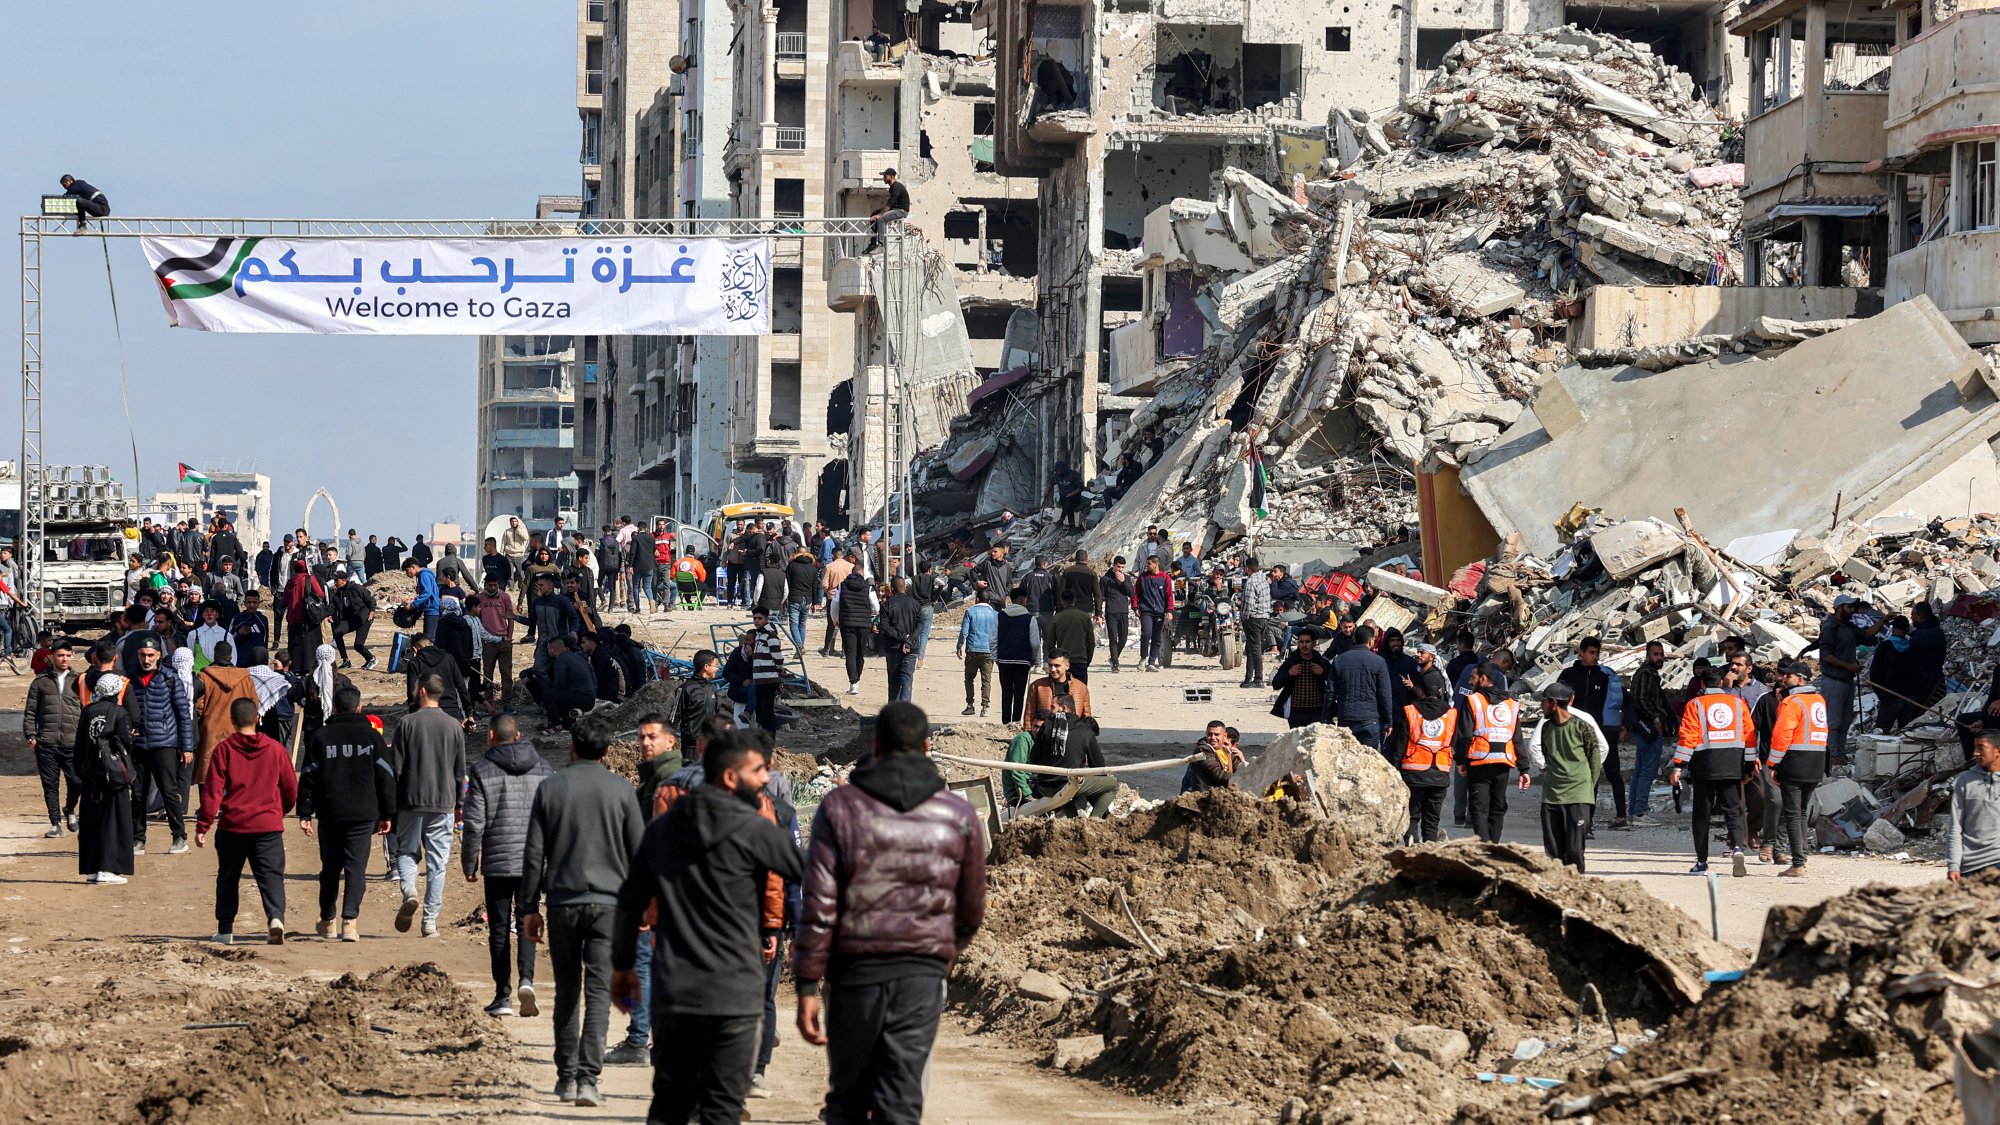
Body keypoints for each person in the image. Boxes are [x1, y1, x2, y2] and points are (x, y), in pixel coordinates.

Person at [794, 702, 986, 1123]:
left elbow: (819, 902)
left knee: (847, 1096)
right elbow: (971, 908)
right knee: (900, 1096)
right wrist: (943, 955)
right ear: (928, 746)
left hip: (853, 975)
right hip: (919, 974)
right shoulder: (958, 814)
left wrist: (807, 981)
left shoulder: (840, 807)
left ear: (875, 744)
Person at [612, 731, 804, 1121]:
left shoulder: (663, 830)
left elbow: (630, 901)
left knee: (669, 1103)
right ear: (731, 778)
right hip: (735, 995)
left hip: (675, 991)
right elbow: (809, 876)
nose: (766, 779)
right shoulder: (757, 831)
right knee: (721, 1108)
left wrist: (622, 968)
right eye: (756, 772)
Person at [514, 717, 642, 1108]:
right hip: (609, 905)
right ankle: (588, 1079)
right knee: (599, 991)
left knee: (567, 989)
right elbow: (639, 855)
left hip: (563, 902)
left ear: (572, 746)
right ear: (607, 751)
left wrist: (528, 908)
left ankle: (566, 1076)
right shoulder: (622, 791)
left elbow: (534, 853)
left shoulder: (550, 788)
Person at [197, 697, 299, 945]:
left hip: (233, 825)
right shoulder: (276, 749)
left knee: (228, 878)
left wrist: (204, 825)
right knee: (271, 876)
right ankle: (276, 919)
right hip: (268, 826)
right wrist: (279, 811)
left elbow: (212, 792)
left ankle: (225, 929)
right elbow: (290, 788)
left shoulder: (224, 750)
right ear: (258, 718)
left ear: (232, 720)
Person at [297, 685, 395, 941]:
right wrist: (388, 814)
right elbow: (386, 778)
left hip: (330, 812)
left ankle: (328, 920)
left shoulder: (321, 736)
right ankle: (349, 922)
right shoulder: (372, 738)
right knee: (355, 868)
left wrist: (305, 813)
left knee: (330, 868)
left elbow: (307, 776)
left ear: (336, 708)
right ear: (359, 708)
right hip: (364, 814)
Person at [390, 674, 468, 937]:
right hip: (444, 800)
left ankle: (409, 890)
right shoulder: (453, 726)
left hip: (411, 799)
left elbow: (396, 767)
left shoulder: (406, 723)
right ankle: (430, 922)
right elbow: (460, 769)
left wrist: (393, 801)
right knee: (438, 864)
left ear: (421, 691)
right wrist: (459, 803)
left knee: (407, 851)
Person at [1669, 666, 1754, 877]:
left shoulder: (1695, 704)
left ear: (1702, 684)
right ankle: (1737, 848)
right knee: (1734, 810)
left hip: (1704, 766)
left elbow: (1688, 737)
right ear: (1722, 683)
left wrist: (1678, 765)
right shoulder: (1737, 703)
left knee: (1701, 815)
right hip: (1732, 764)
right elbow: (1749, 735)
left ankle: (1701, 862)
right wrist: (1750, 765)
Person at [1524, 682, 1608, 872]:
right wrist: (1548, 772)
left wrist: (1587, 786)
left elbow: (1595, 759)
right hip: (1552, 797)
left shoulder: (1582, 727)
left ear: (1553, 703)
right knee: (1553, 853)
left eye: (1543, 702)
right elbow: (1544, 754)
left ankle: (1576, 889)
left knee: (1575, 850)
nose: (1540, 706)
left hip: (1578, 797)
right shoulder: (1546, 728)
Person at [125, 634, 194, 855]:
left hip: (165, 743)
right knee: (137, 794)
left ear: (158, 655)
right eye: (143, 655)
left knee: (169, 791)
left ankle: (179, 837)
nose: (146, 659)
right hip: (139, 745)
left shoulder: (170, 678)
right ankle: (138, 839)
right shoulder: (131, 678)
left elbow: (183, 714)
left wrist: (187, 747)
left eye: (151, 655)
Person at [1761, 662, 1828, 878]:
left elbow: (1782, 736)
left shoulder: (1791, 702)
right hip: (1816, 761)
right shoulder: (1818, 701)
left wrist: (1772, 764)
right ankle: (1802, 858)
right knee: (1801, 811)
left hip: (1795, 761)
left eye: (1788, 676)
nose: (1783, 678)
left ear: (1800, 679)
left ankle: (1798, 863)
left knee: (1792, 813)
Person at [1556, 636, 1627, 829]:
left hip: (1596, 731)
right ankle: (1576, 818)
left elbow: (1599, 705)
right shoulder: (1569, 674)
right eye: (1591, 653)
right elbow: (1559, 701)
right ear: (1581, 652)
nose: (1595, 657)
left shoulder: (1602, 677)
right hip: (1571, 731)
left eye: (1597, 653)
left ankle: (1595, 820)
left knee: (1598, 774)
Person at [1453, 662, 1527, 844]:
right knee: (1497, 807)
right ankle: (1493, 845)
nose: (1470, 682)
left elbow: (1465, 734)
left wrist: (1460, 760)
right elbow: (1517, 737)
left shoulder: (1473, 701)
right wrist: (1524, 769)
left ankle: (1485, 847)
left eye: (1473, 677)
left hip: (1479, 762)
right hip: (1503, 763)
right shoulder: (1511, 704)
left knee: (1479, 808)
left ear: (1483, 679)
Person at [76, 673, 138, 884]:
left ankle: (92, 868)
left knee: (92, 821)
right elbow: (126, 744)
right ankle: (108, 868)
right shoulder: (119, 713)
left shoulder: (87, 712)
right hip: (113, 777)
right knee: (114, 821)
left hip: (90, 775)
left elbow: (80, 745)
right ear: (116, 691)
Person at [1814, 593, 1880, 767]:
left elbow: (1866, 635)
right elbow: (1826, 655)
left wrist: (1882, 621)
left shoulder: (1848, 627)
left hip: (1846, 679)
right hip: (1834, 679)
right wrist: (1849, 666)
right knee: (1833, 719)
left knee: (1844, 719)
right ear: (1839, 607)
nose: (1852, 611)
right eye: (1849, 607)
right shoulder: (1830, 627)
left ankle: (1839, 752)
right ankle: (1831, 754)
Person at [27, 639, 83, 838]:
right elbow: (31, 711)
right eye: (60, 655)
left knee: (76, 781)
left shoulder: (79, 681)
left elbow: (86, 710)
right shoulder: (40, 682)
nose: (65, 659)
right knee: (50, 785)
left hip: (73, 742)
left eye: (68, 655)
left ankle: (69, 809)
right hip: (47, 742)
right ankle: (55, 823)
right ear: (52, 657)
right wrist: (31, 736)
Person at [1397, 663, 1457, 842]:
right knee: (1432, 819)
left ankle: (1411, 846)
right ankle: (1429, 851)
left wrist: (1394, 769)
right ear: (1440, 692)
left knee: (1412, 816)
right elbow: (1456, 742)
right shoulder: (1451, 715)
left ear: (1420, 690)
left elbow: (1399, 745)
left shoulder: (1410, 712)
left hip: (1413, 773)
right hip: (1439, 774)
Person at [1330, 623, 1394, 753]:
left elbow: (1331, 692)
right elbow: (1385, 694)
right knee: (1367, 763)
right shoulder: (1379, 662)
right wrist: (1388, 722)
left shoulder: (1339, 660)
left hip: (1345, 718)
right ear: (1371, 641)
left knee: (1346, 761)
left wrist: (1326, 717)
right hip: (1369, 720)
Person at [1951, 730, 2000, 884]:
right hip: (1970, 866)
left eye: (1981, 748)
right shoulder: (1965, 780)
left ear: (1998, 750)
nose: (1975, 753)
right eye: (1974, 748)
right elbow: (1955, 827)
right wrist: (1953, 865)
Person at [831, 559, 879, 696]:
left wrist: (835, 620)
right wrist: (871, 614)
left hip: (847, 624)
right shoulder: (868, 587)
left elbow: (834, 605)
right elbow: (876, 606)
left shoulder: (842, 586)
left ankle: (853, 683)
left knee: (850, 653)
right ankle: (857, 677)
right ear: (862, 574)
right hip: (864, 624)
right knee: (860, 653)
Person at [995, 587, 1040, 727]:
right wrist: (1034, 659)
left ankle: (1005, 722)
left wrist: (996, 658)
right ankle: (1016, 722)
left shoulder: (999, 616)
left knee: (1006, 693)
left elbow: (992, 639)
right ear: (1022, 599)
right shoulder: (1030, 619)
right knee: (1019, 694)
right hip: (1023, 661)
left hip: (1004, 660)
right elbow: (1035, 643)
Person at [1271, 628, 1331, 729]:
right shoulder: (1291, 662)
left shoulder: (1321, 663)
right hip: (1295, 711)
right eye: (1301, 642)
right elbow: (1276, 684)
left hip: (1317, 710)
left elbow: (1335, 684)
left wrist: (1323, 673)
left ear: (1314, 643)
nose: (1304, 645)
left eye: (1307, 642)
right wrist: (1289, 673)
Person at [533, 636, 598, 728]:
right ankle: (566, 722)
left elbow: (560, 685)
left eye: (548, 649)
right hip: (590, 696)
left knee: (548, 693)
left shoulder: (561, 660)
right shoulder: (575, 657)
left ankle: (555, 724)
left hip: (583, 698)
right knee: (559, 694)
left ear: (552, 649)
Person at [878, 577, 923, 702]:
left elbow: (885, 627)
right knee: (907, 681)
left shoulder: (887, 604)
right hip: (911, 649)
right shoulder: (915, 604)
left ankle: (893, 714)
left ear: (892, 589)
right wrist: (909, 640)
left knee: (894, 682)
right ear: (905, 587)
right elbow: (920, 625)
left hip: (893, 648)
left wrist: (902, 638)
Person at [744, 606, 788, 730]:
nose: (757, 621)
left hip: (768, 681)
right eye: (755, 618)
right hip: (759, 680)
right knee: (760, 713)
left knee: (767, 713)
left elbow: (778, 659)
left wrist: (777, 674)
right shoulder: (758, 635)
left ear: (766, 619)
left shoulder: (770, 636)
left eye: (760, 618)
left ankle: (769, 743)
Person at [670, 650, 723, 752]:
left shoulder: (712, 688)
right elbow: (674, 717)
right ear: (706, 667)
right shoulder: (685, 689)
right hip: (692, 746)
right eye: (716, 666)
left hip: (710, 744)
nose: (718, 668)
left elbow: (717, 714)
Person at [281, 558, 327, 673]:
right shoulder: (310, 579)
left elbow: (284, 602)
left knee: (295, 645)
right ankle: (310, 667)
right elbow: (321, 594)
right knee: (310, 645)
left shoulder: (290, 582)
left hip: (292, 618)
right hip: (308, 618)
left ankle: (296, 667)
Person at [956, 595, 998, 719]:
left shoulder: (970, 611)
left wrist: (959, 646)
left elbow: (964, 632)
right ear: (989, 601)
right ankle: (985, 707)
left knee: (969, 679)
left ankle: (970, 705)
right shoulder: (995, 614)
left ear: (977, 599)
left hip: (972, 651)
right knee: (986, 680)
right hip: (989, 651)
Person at [1133, 556, 1174, 671]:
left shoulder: (1165, 578)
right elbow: (1135, 593)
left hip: (1160, 612)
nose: (1147, 566)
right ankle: (1143, 658)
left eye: (1149, 564)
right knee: (1146, 633)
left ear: (1156, 564)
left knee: (1157, 637)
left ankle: (1151, 662)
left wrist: (1169, 611)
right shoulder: (1143, 577)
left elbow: (1169, 596)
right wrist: (1135, 607)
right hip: (1146, 611)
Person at [1048, 589, 1096, 683]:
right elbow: (1091, 642)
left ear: (1062, 601)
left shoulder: (1057, 618)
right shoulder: (1085, 617)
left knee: (1061, 694)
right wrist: (1087, 660)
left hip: (1062, 661)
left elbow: (1050, 643)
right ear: (1074, 600)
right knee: (1079, 694)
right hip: (1080, 661)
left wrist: (1054, 661)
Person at [1181, 720, 1241, 794]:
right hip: (1202, 797)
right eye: (1210, 734)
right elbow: (1219, 775)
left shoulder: (1225, 751)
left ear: (1224, 736)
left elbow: (1241, 769)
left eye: (1216, 734)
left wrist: (1242, 760)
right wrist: (1239, 778)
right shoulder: (1203, 750)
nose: (1212, 737)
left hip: (1219, 796)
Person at [863, 167, 911, 253]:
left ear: (891, 177)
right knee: (875, 213)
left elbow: (889, 204)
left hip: (902, 211)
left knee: (881, 219)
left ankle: (881, 246)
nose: (883, 178)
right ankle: (873, 243)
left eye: (885, 176)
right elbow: (890, 205)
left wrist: (879, 215)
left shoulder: (897, 187)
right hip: (896, 209)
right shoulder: (892, 188)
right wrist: (876, 214)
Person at [1099, 557, 1133, 673]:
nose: (1120, 569)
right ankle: (1115, 663)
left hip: (1123, 611)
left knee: (1123, 638)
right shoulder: (1105, 579)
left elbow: (1131, 593)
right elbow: (1100, 597)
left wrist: (1123, 582)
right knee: (1113, 637)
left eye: (1122, 567)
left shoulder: (1126, 578)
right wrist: (1099, 613)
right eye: (1118, 566)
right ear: (1113, 566)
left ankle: (1114, 657)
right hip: (1111, 611)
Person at [404, 557, 443, 641]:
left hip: (432, 610)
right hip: (430, 609)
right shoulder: (424, 575)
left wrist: (413, 605)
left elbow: (427, 593)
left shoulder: (424, 575)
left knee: (429, 639)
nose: (407, 573)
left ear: (413, 567)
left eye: (407, 570)